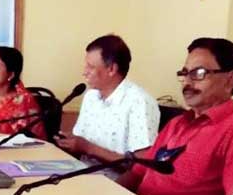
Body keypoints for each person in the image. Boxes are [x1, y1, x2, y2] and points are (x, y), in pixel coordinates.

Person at [118, 38, 233, 195]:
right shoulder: (177, 123)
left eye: (199, 73)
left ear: (230, 79)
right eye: (185, 73)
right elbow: (137, 174)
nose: (187, 82)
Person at [57, 35, 159, 163]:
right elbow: (81, 142)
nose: (84, 72)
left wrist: (89, 148)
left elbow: (141, 165)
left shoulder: (139, 102)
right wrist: (70, 142)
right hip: (80, 170)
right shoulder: (91, 96)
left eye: (90, 67)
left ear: (111, 69)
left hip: (113, 176)